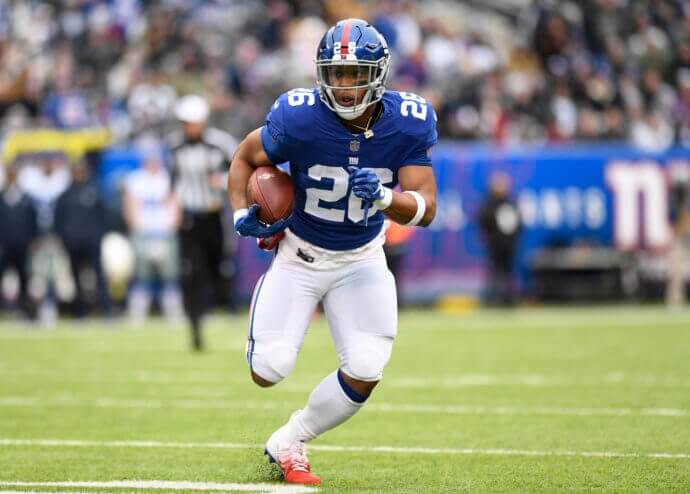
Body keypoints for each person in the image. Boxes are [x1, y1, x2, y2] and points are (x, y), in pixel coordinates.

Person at [227, 19, 437, 485]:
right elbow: (245, 157)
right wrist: (241, 211)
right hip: (300, 254)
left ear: (378, 74)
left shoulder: (408, 121)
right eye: (336, 73)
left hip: (361, 258)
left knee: (366, 367)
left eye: (355, 73)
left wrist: (386, 199)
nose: (344, 86)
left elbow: (425, 209)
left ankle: (290, 439)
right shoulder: (299, 115)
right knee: (268, 369)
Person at [170, 94, 237, 350]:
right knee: (192, 273)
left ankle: (220, 308)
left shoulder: (221, 144)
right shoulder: (174, 146)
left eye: (193, 122)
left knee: (217, 268)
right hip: (188, 218)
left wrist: (220, 181)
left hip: (214, 215)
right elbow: (173, 180)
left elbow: (242, 171)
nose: (190, 128)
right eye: (185, 122)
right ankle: (195, 325)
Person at [123, 149, 183, 326]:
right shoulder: (135, 179)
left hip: (165, 233)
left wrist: (172, 227)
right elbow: (129, 206)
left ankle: (174, 313)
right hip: (143, 233)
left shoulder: (168, 179)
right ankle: (137, 314)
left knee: (170, 275)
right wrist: (137, 227)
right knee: (142, 275)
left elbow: (176, 204)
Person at [53, 160, 111, 318]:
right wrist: (64, 238)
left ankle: (106, 310)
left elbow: (104, 217)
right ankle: (79, 312)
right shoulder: (65, 195)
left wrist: (98, 235)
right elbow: (58, 221)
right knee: (76, 278)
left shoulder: (94, 192)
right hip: (73, 243)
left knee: (98, 276)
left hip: (91, 242)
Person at [0, 164, 38, 319]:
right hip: (4, 244)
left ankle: (25, 309)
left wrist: (34, 240)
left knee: (24, 277)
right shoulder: (2, 197)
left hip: (22, 244)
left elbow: (33, 222)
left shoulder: (27, 199)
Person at [478, 171, 522, 306]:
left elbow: (519, 223)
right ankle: (493, 299)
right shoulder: (488, 205)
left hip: (509, 246)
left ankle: (509, 299)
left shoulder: (510, 203)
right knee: (495, 272)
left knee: (508, 271)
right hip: (495, 245)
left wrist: (513, 240)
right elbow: (483, 222)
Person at [666, 168, 690, 307]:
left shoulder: (684, 200)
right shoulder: (675, 201)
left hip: (684, 237)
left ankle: (675, 300)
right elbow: (676, 223)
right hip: (680, 238)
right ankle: (674, 300)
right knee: (676, 272)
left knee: (677, 271)